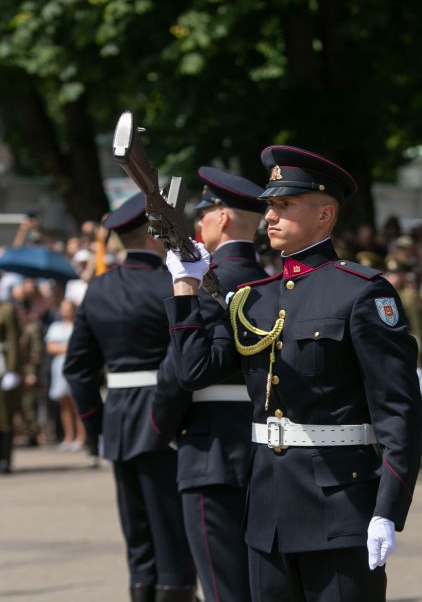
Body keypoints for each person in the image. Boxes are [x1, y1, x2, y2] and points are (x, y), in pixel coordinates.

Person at [165, 145, 422, 601]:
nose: (270, 217)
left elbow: (398, 410)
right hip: (268, 510)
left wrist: (388, 509)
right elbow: (193, 371)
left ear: (325, 214)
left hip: (339, 508)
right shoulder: (252, 298)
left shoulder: (361, 293)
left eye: (285, 205)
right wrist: (185, 289)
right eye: (269, 205)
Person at [63, 193, 196, 601]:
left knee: (139, 540)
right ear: (157, 237)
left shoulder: (98, 289)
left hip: (119, 422)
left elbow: (78, 369)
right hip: (168, 419)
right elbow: (185, 359)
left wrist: (97, 425)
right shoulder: (171, 286)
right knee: (172, 535)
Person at [150, 168, 268, 602]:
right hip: (268, 448)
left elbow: (181, 372)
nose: (198, 226)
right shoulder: (273, 283)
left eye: (204, 215)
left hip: (210, 452)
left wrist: (160, 430)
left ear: (220, 219)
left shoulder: (206, 283)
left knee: (223, 589)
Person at [46, 299, 84, 452]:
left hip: (75, 367)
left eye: (68, 308)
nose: (66, 311)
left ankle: (81, 438)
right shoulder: (55, 327)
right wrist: (68, 347)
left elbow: (80, 346)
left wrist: (61, 347)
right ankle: (69, 436)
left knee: (77, 404)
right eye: (63, 308)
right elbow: (50, 348)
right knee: (64, 404)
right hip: (59, 368)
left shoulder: (79, 325)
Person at [0, 294, 21, 473]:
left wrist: (13, 370)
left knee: (4, 415)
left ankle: (4, 459)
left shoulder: (6, 309)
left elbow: (13, 340)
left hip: (2, 365)